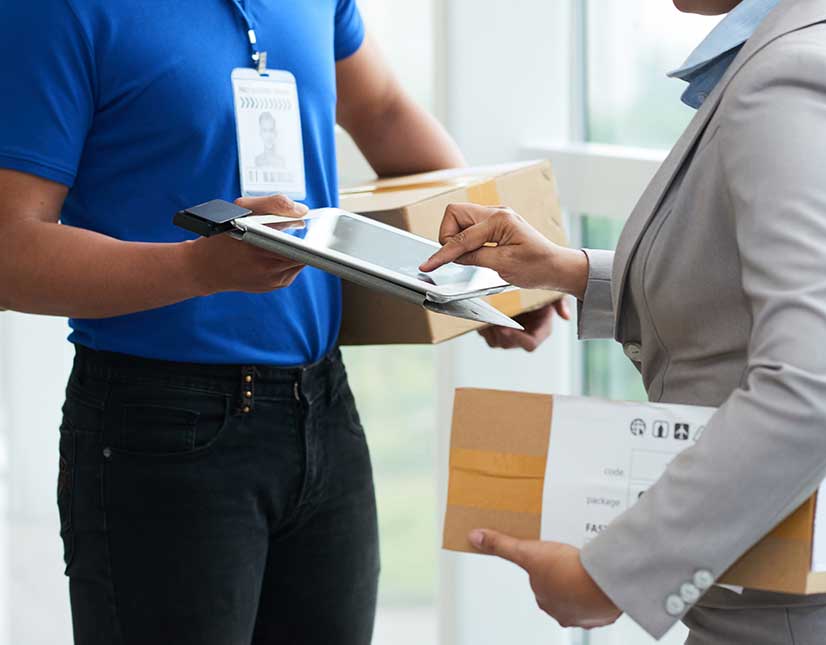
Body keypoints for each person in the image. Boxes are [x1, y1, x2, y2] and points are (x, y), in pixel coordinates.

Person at [421, 0, 826, 642]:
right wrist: (570, 271)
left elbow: (813, 390)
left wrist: (608, 577)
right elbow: (821, 296)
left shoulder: (799, 78)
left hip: (825, 611)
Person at [0, 1, 564, 644]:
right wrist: (199, 269)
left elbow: (382, 110)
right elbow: (9, 251)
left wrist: (483, 274)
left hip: (323, 406)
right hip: (157, 425)